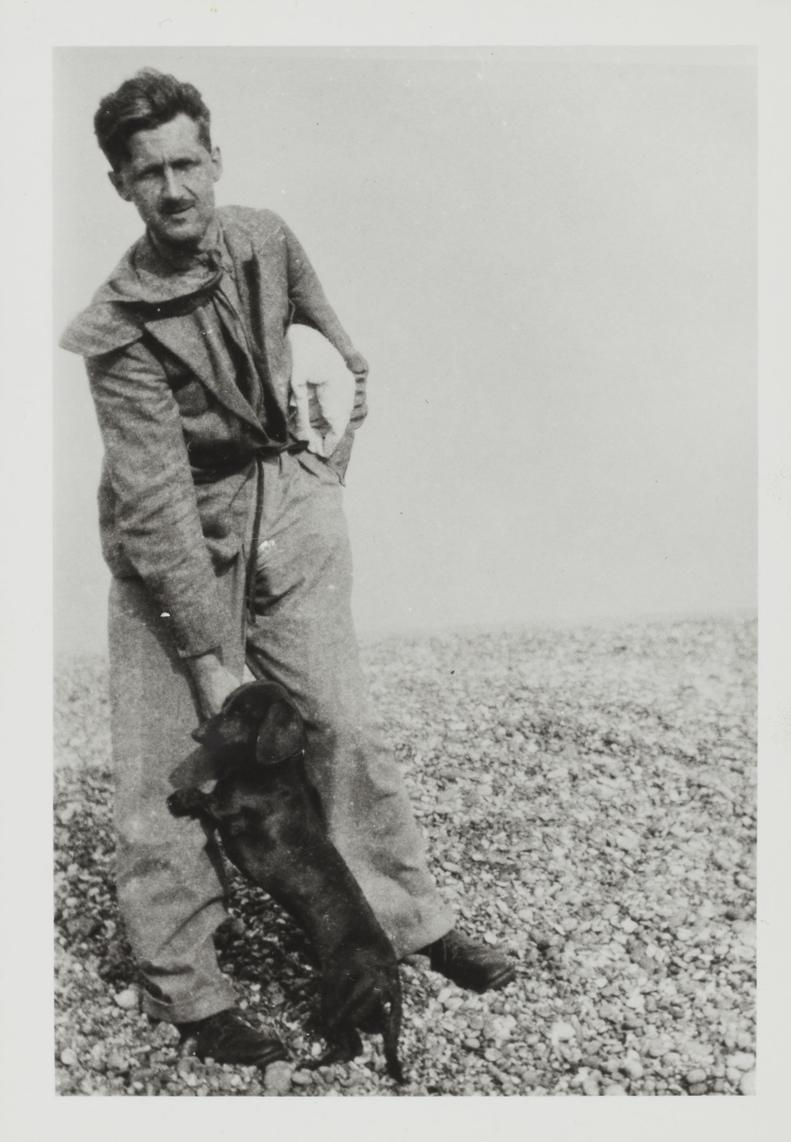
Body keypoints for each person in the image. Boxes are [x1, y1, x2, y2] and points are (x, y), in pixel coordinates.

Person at [60, 68, 514, 1068]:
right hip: (172, 538)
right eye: (148, 173)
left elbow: (324, 332)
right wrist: (207, 655)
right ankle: (190, 992)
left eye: (187, 163)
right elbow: (155, 501)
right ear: (120, 185)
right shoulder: (115, 330)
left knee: (339, 723)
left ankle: (407, 921)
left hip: (286, 506)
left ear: (215, 160)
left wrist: (335, 420)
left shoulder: (264, 236)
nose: (174, 188)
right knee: (168, 772)